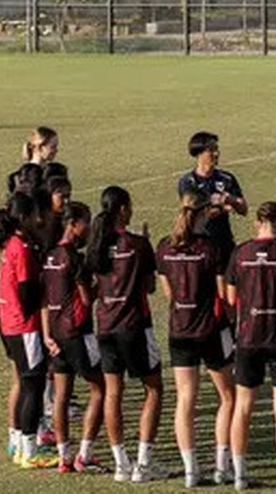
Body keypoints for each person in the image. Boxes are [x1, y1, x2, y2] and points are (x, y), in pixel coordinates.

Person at [226, 202, 276, 493]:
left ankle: (238, 475)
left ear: (256, 224)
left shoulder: (240, 252)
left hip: (248, 337)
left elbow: (230, 296)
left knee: (243, 406)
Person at [86, 186, 168, 482]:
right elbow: (149, 287)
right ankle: (143, 463)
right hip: (134, 326)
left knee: (113, 392)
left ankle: (121, 463)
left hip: (105, 326)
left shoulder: (95, 243)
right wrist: (143, 243)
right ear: (123, 209)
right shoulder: (138, 244)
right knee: (155, 389)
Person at [156, 192, 236, 488]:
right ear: (204, 213)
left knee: (185, 400)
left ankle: (191, 471)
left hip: (180, 329)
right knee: (228, 397)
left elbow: (169, 293)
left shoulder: (164, 247)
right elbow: (224, 296)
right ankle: (221, 466)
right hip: (210, 330)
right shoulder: (210, 248)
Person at [41, 201, 108, 474]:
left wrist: (46, 335)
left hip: (55, 334)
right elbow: (86, 298)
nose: (89, 227)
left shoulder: (49, 256)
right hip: (78, 334)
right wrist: (101, 284)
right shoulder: (74, 258)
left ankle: (63, 458)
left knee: (61, 396)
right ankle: (84, 454)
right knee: (100, 390)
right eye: (86, 221)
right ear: (74, 224)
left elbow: (43, 300)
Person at [0, 192, 56, 469]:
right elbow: (27, 290)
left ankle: (20, 443)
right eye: (33, 215)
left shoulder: (11, 243)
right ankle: (30, 451)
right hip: (25, 325)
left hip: (9, 323)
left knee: (25, 383)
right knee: (33, 385)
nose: (38, 219)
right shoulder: (23, 248)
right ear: (24, 218)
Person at [178, 131, 248, 258]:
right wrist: (222, 207)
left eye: (217, 149)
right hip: (198, 244)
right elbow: (193, 212)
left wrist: (231, 199)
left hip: (223, 243)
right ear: (199, 153)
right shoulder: (187, 182)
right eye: (211, 150)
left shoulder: (227, 178)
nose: (216, 153)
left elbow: (244, 209)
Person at [8, 126, 65, 194]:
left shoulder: (56, 171)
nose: (56, 150)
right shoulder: (23, 176)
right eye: (52, 147)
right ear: (39, 148)